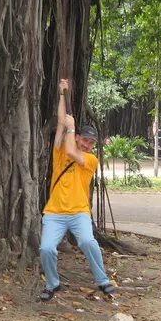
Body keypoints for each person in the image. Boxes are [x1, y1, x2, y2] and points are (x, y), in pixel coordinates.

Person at [38, 78, 114, 302]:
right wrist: (62, 93)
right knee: (46, 249)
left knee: (88, 242)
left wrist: (72, 128)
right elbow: (61, 122)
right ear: (78, 137)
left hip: (79, 212)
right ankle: (52, 284)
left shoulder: (90, 160)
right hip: (54, 213)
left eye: (92, 144)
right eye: (85, 140)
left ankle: (102, 281)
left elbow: (72, 150)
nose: (87, 146)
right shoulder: (59, 151)